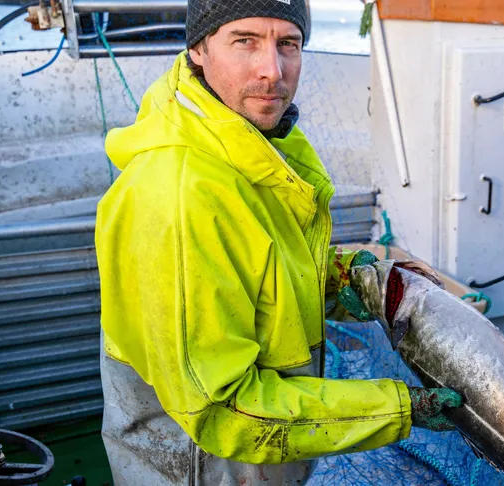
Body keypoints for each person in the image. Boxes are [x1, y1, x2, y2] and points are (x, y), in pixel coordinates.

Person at [93, 0, 462, 484]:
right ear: (199, 48)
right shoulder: (179, 196)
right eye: (244, 41)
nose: (272, 70)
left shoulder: (249, 145)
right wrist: (399, 408)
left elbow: (255, 273)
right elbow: (226, 412)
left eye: (287, 43)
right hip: (203, 469)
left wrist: (342, 277)